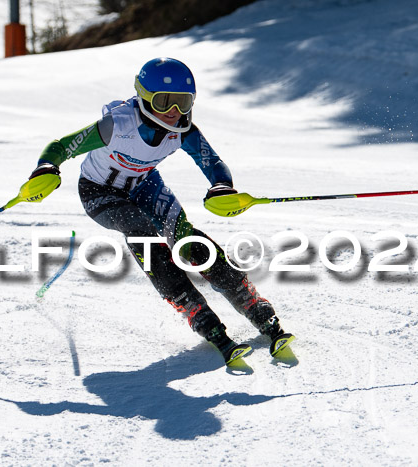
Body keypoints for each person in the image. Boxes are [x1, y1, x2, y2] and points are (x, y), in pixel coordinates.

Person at [29, 57, 293, 364]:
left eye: (183, 103)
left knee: (187, 239)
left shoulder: (182, 130)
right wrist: (47, 167)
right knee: (142, 232)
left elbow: (213, 163)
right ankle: (193, 308)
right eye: (164, 101)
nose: (174, 111)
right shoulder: (118, 123)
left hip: (144, 185)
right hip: (99, 192)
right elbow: (63, 145)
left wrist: (222, 186)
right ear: (142, 97)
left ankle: (250, 301)